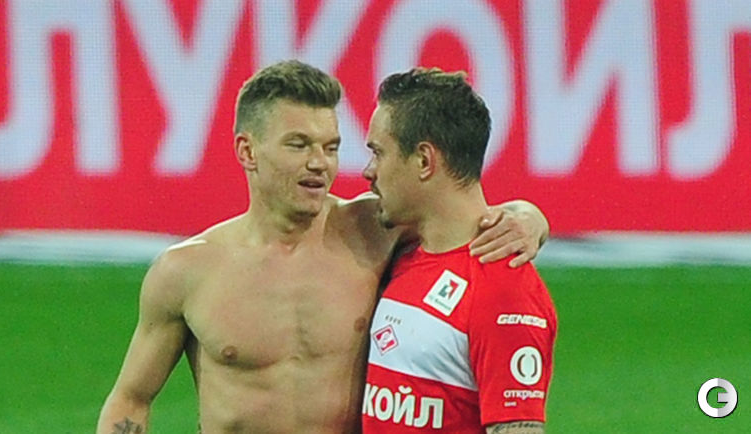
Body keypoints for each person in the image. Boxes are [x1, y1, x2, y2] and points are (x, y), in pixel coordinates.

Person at [97, 61, 549, 434]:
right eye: (298, 145)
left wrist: (530, 218)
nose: (319, 163)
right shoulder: (187, 271)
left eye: (330, 147)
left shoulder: (372, 231)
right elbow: (130, 400)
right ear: (247, 151)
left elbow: (456, 210)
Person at [360, 68, 557, 433]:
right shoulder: (402, 253)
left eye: (378, 153)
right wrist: (531, 214)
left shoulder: (502, 288)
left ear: (424, 161)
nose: (368, 171)